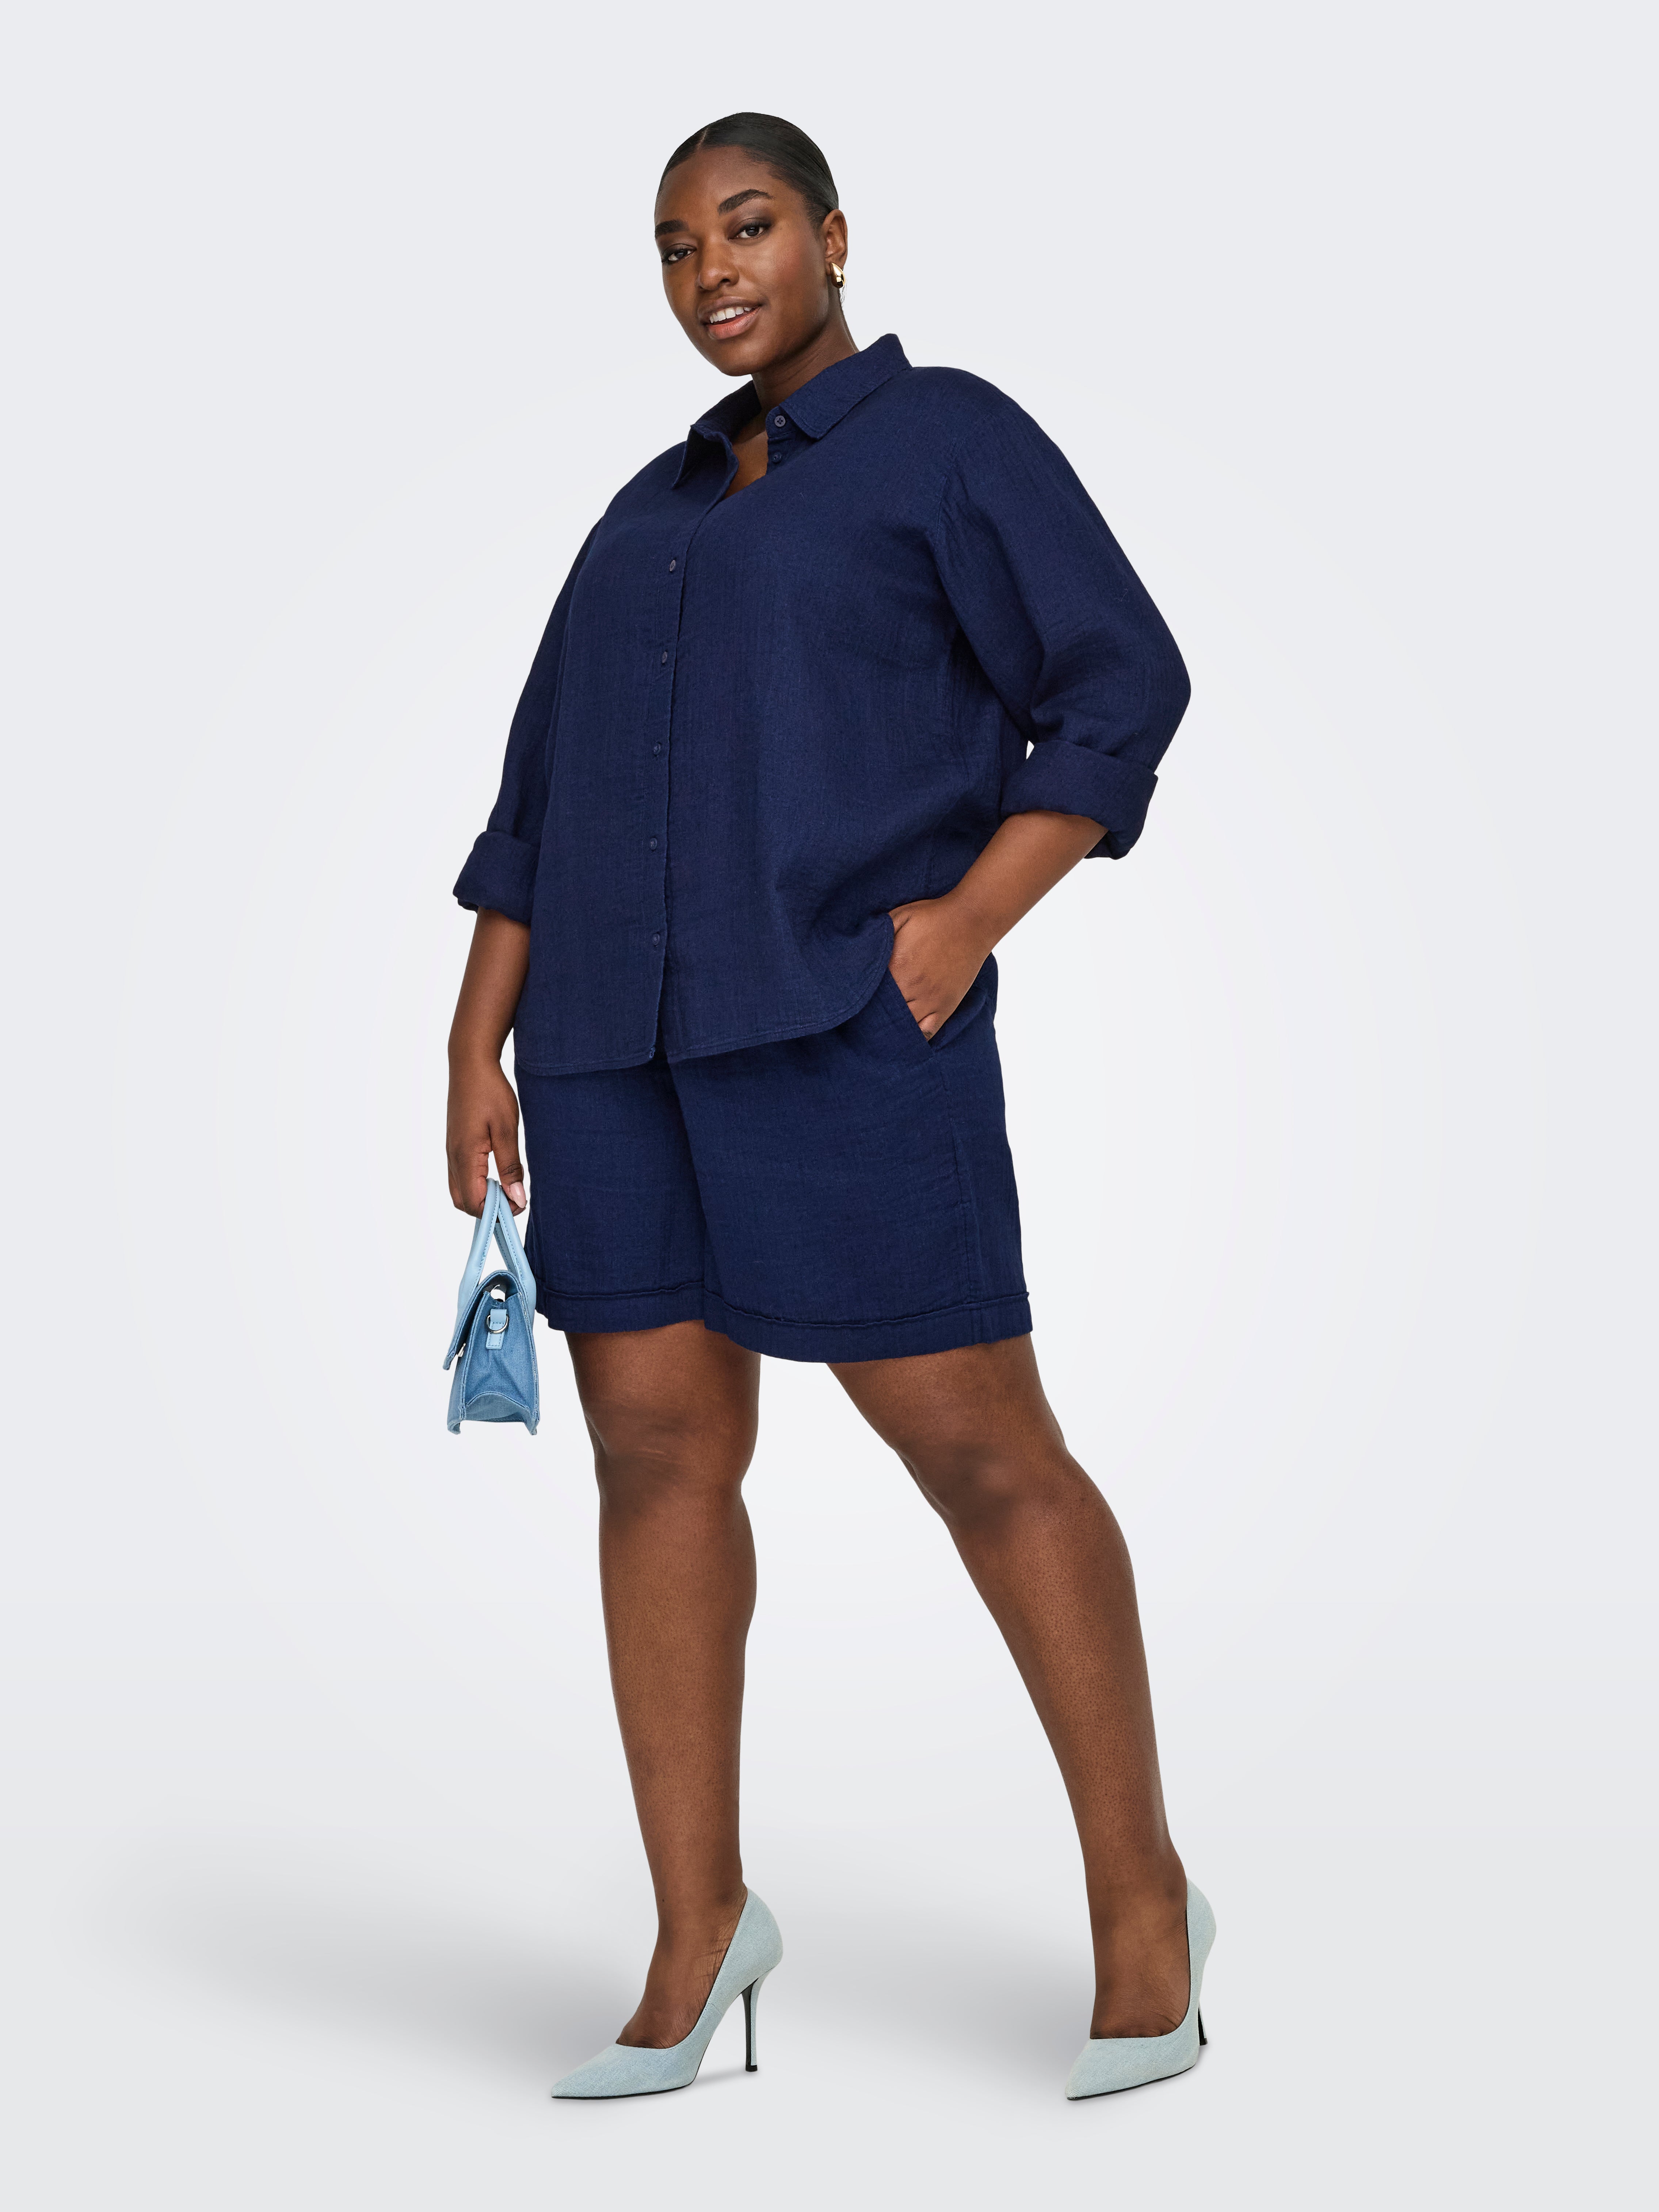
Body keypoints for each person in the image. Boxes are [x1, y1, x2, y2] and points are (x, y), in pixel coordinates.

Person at [445, 112, 1212, 2102]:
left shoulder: (946, 438)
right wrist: (474, 1046)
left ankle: (1145, 1902)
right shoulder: (644, 511)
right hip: (611, 1054)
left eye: (750, 224)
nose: (714, 268)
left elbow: (1121, 681)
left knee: (983, 1453)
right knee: (654, 1460)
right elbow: (534, 802)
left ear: (835, 236)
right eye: (677, 242)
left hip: (844, 1030)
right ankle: (700, 1929)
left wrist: (961, 926)